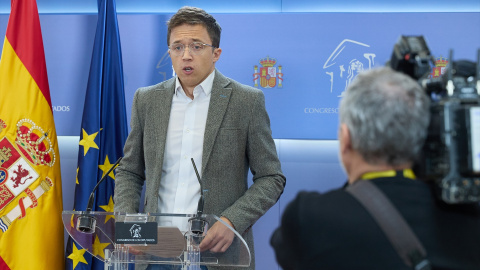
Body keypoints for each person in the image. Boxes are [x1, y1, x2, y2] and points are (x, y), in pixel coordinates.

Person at [114, 6, 286, 270]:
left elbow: (271, 178)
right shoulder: (147, 100)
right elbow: (130, 171)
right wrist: (127, 220)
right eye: (177, 47)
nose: (186, 55)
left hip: (217, 255)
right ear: (169, 52)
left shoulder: (246, 101)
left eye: (196, 46)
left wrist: (231, 221)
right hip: (155, 252)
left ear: (216, 53)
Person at [270, 67, 480, 269]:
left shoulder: (310, 218)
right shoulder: (468, 218)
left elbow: (284, 248)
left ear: (346, 139)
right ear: (420, 137)